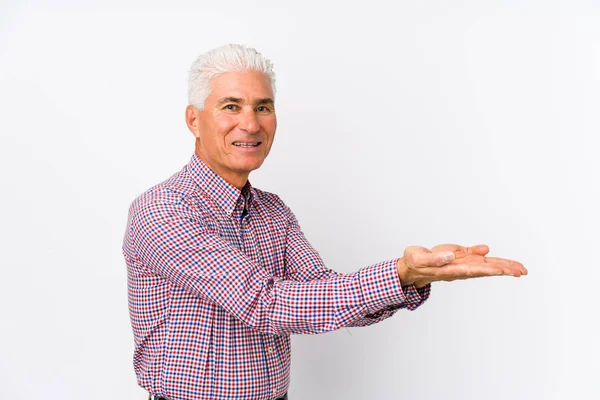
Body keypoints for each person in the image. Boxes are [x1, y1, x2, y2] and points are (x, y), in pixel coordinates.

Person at [122, 44, 527, 400]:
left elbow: (324, 296)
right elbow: (264, 303)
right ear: (194, 120)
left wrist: (413, 278)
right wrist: (397, 273)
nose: (250, 123)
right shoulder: (162, 210)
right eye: (231, 106)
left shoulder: (273, 212)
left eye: (263, 107)